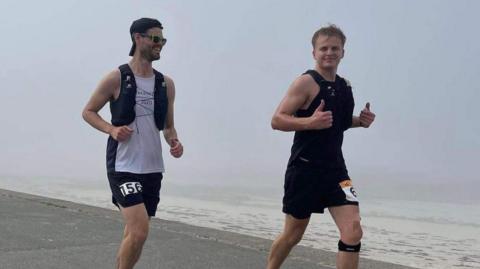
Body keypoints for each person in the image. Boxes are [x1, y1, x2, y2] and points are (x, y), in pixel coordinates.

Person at [266, 24, 376, 269]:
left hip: (338, 172)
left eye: (334, 48)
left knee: (353, 230)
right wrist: (310, 122)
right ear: (314, 52)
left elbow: (338, 122)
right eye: (323, 48)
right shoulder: (305, 83)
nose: (329, 53)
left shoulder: (345, 86)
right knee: (293, 235)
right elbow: (277, 119)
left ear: (343, 52)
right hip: (304, 171)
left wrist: (360, 121)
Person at [82, 18, 183, 269]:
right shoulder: (116, 77)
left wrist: (174, 142)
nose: (160, 45)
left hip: (152, 167)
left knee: (134, 234)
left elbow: (168, 126)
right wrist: (111, 129)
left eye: (163, 40)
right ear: (138, 38)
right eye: (156, 39)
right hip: (123, 165)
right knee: (139, 231)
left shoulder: (166, 84)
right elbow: (89, 111)